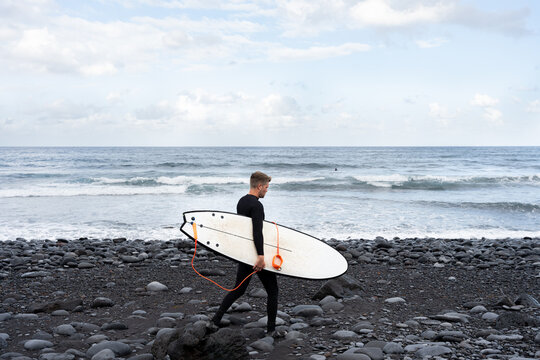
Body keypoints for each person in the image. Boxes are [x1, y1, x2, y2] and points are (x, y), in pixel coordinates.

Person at [211, 171, 279, 334]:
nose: (267, 191)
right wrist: (261, 257)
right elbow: (257, 231)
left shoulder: (241, 201)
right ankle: (271, 330)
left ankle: (215, 320)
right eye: (267, 187)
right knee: (273, 291)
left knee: (238, 289)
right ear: (260, 186)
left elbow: (242, 230)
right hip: (255, 255)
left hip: (244, 253)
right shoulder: (257, 205)